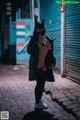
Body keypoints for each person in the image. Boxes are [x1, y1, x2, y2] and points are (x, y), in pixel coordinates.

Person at [27, 19, 56, 110]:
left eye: (44, 28)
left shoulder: (48, 39)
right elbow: (29, 51)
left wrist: (52, 62)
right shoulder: (33, 39)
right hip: (37, 66)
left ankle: (38, 101)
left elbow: (50, 53)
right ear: (37, 30)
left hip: (45, 67)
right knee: (39, 84)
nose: (43, 30)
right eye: (41, 29)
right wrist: (37, 43)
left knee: (41, 84)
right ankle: (37, 103)